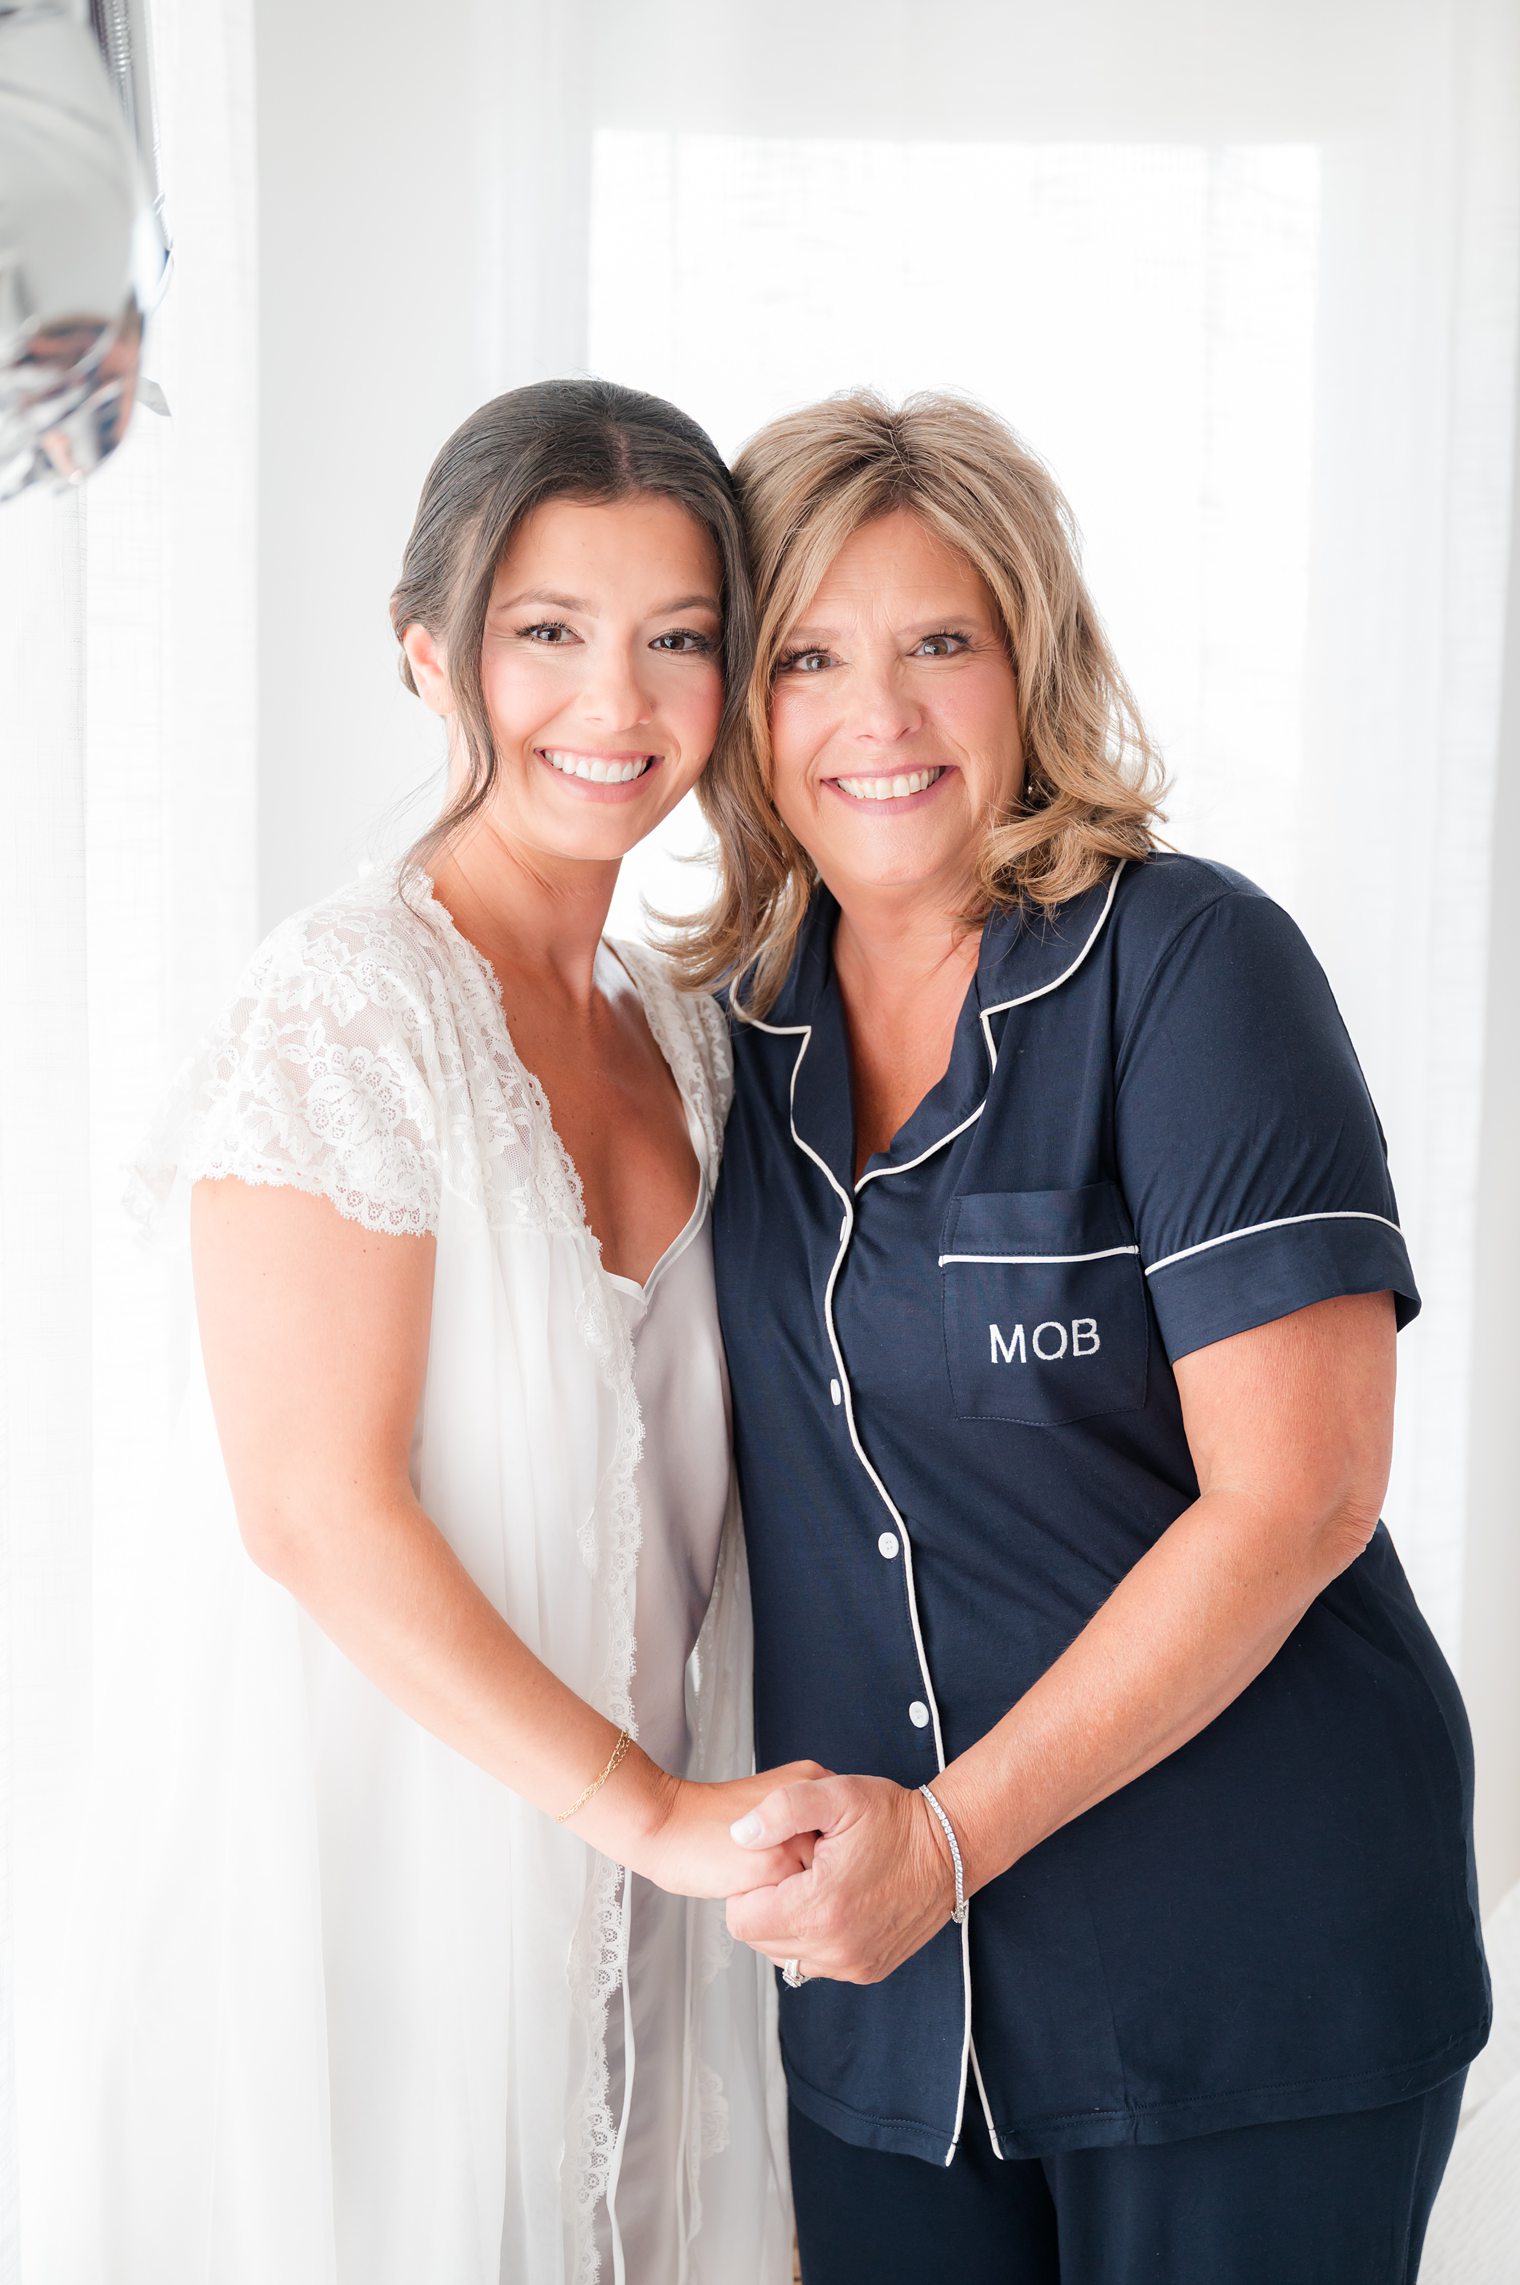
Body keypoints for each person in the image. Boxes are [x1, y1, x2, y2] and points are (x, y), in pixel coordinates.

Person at [679, 390, 1491, 2284]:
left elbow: (1296, 1496)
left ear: (1030, 662)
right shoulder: (714, 1045)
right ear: (744, 706)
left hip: (1245, 1975)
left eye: (937, 644)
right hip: (890, 2016)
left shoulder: (1191, 968)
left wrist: (948, 1840)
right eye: (808, 655)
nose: (877, 718)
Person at [35, 379, 807, 2285]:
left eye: (676, 640)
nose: (613, 706)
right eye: (547, 633)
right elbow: (313, 1505)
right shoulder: (351, 1002)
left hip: (640, 1936)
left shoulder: (693, 1030)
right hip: (378, 1906)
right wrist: (652, 1814)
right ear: (426, 651)